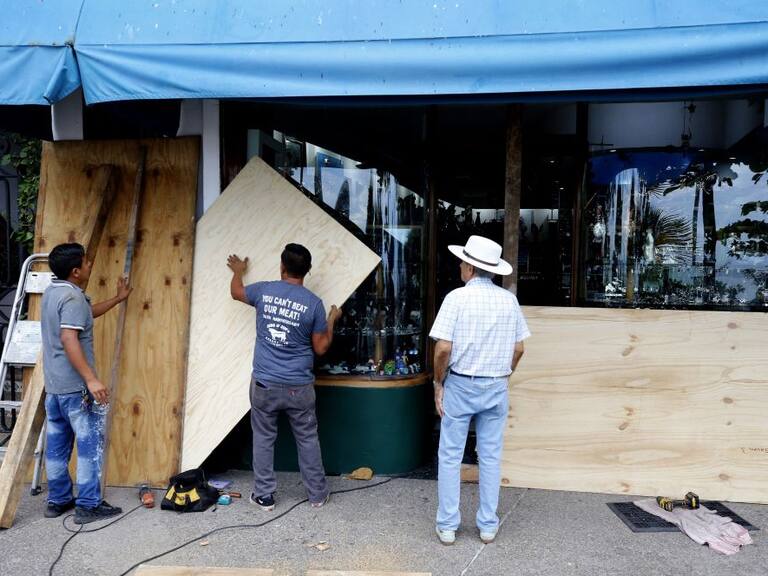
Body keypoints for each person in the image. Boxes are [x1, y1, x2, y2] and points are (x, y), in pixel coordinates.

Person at [430, 235, 530, 545]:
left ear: (471, 268)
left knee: (449, 455)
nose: (460, 265)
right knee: (490, 457)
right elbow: (519, 349)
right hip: (495, 386)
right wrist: (505, 377)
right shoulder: (508, 300)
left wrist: (438, 382)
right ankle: (487, 525)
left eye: (462, 261)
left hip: (461, 383)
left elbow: (443, 348)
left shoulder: (456, 298)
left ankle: (448, 526)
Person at [227, 243, 340, 511]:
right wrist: (333, 319)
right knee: (307, 438)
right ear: (307, 271)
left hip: (264, 383)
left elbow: (236, 292)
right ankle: (317, 495)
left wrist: (238, 271)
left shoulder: (264, 291)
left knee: (264, 438)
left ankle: (264, 496)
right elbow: (321, 348)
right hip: (298, 387)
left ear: (282, 266)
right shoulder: (313, 304)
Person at [41, 242, 132, 524]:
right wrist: (91, 380)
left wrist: (117, 299)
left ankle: (58, 500)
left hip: (54, 389)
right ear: (76, 271)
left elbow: (85, 316)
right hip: (77, 390)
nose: (92, 264)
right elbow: (70, 338)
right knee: (90, 446)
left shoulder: (53, 293)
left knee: (56, 447)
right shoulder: (73, 300)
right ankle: (88, 505)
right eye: (87, 262)